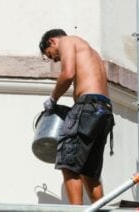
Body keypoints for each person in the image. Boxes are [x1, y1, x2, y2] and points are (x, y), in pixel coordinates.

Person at [39, 28, 114, 205]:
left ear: (52, 41)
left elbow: (68, 73)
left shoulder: (67, 41)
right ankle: (98, 209)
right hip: (104, 111)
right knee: (89, 172)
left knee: (67, 160)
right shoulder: (90, 52)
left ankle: (75, 211)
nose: (54, 59)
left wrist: (53, 98)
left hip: (88, 106)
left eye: (50, 55)